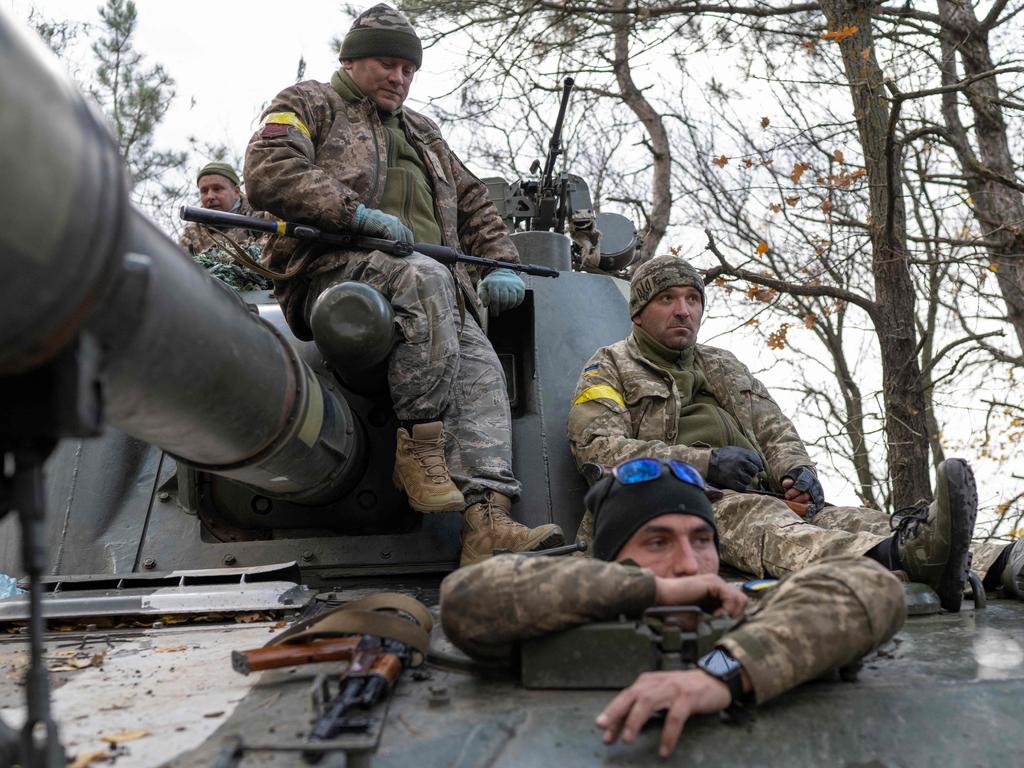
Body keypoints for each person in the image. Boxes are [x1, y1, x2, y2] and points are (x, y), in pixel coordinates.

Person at [243, 4, 562, 565]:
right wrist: (354, 215)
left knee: (482, 370)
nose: (399, 78)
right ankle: (419, 446)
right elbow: (269, 167)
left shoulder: (423, 132)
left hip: (429, 285)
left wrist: (499, 263)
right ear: (352, 60)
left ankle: (487, 520)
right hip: (335, 270)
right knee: (426, 275)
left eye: (408, 70)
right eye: (388, 65)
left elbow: (473, 204)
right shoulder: (309, 103)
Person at [567, 254, 1023, 610]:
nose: (683, 310)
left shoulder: (722, 363)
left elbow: (774, 428)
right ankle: (904, 559)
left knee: (859, 519)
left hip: (768, 494)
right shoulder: (609, 365)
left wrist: (797, 470)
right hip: (685, 501)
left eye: (692, 298)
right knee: (770, 527)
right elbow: (598, 449)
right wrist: (705, 463)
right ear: (639, 313)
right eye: (667, 299)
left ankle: (1003, 561)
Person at [441, 457, 906, 757]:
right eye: (657, 541)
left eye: (703, 541)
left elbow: (871, 585)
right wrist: (653, 590)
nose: (689, 564)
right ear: (611, 558)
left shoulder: (750, 608)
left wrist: (721, 670)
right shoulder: (559, 606)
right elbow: (467, 600)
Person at [178, 161, 272, 292]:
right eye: (204, 191)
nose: (210, 196)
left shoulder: (260, 217)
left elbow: (272, 256)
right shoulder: (192, 232)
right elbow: (182, 272)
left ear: (236, 191)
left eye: (217, 189)